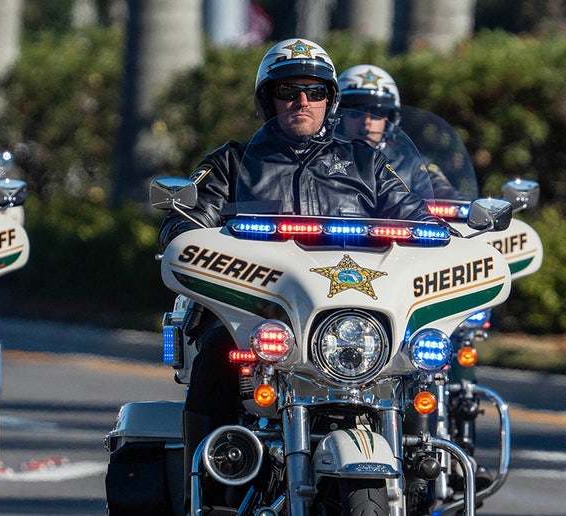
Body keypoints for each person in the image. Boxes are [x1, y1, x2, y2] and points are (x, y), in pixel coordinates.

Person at [158, 38, 442, 510]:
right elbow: (182, 226)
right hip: (258, 318)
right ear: (268, 98)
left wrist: (450, 241)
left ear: (330, 99)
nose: (301, 102)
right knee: (215, 351)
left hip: (355, 321)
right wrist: (185, 227)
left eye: (313, 91)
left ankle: (418, 479)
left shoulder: (366, 163)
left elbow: (422, 224)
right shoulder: (231, 163)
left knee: (420, 370)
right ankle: (210, 490)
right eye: (288, 90)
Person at [337, 64, 464, 200]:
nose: (366, 120)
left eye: (377, 112)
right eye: (356, 111)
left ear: (391, 119)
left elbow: (451, 200)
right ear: (338, 114)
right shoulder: (320, 159)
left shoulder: (413, 167)